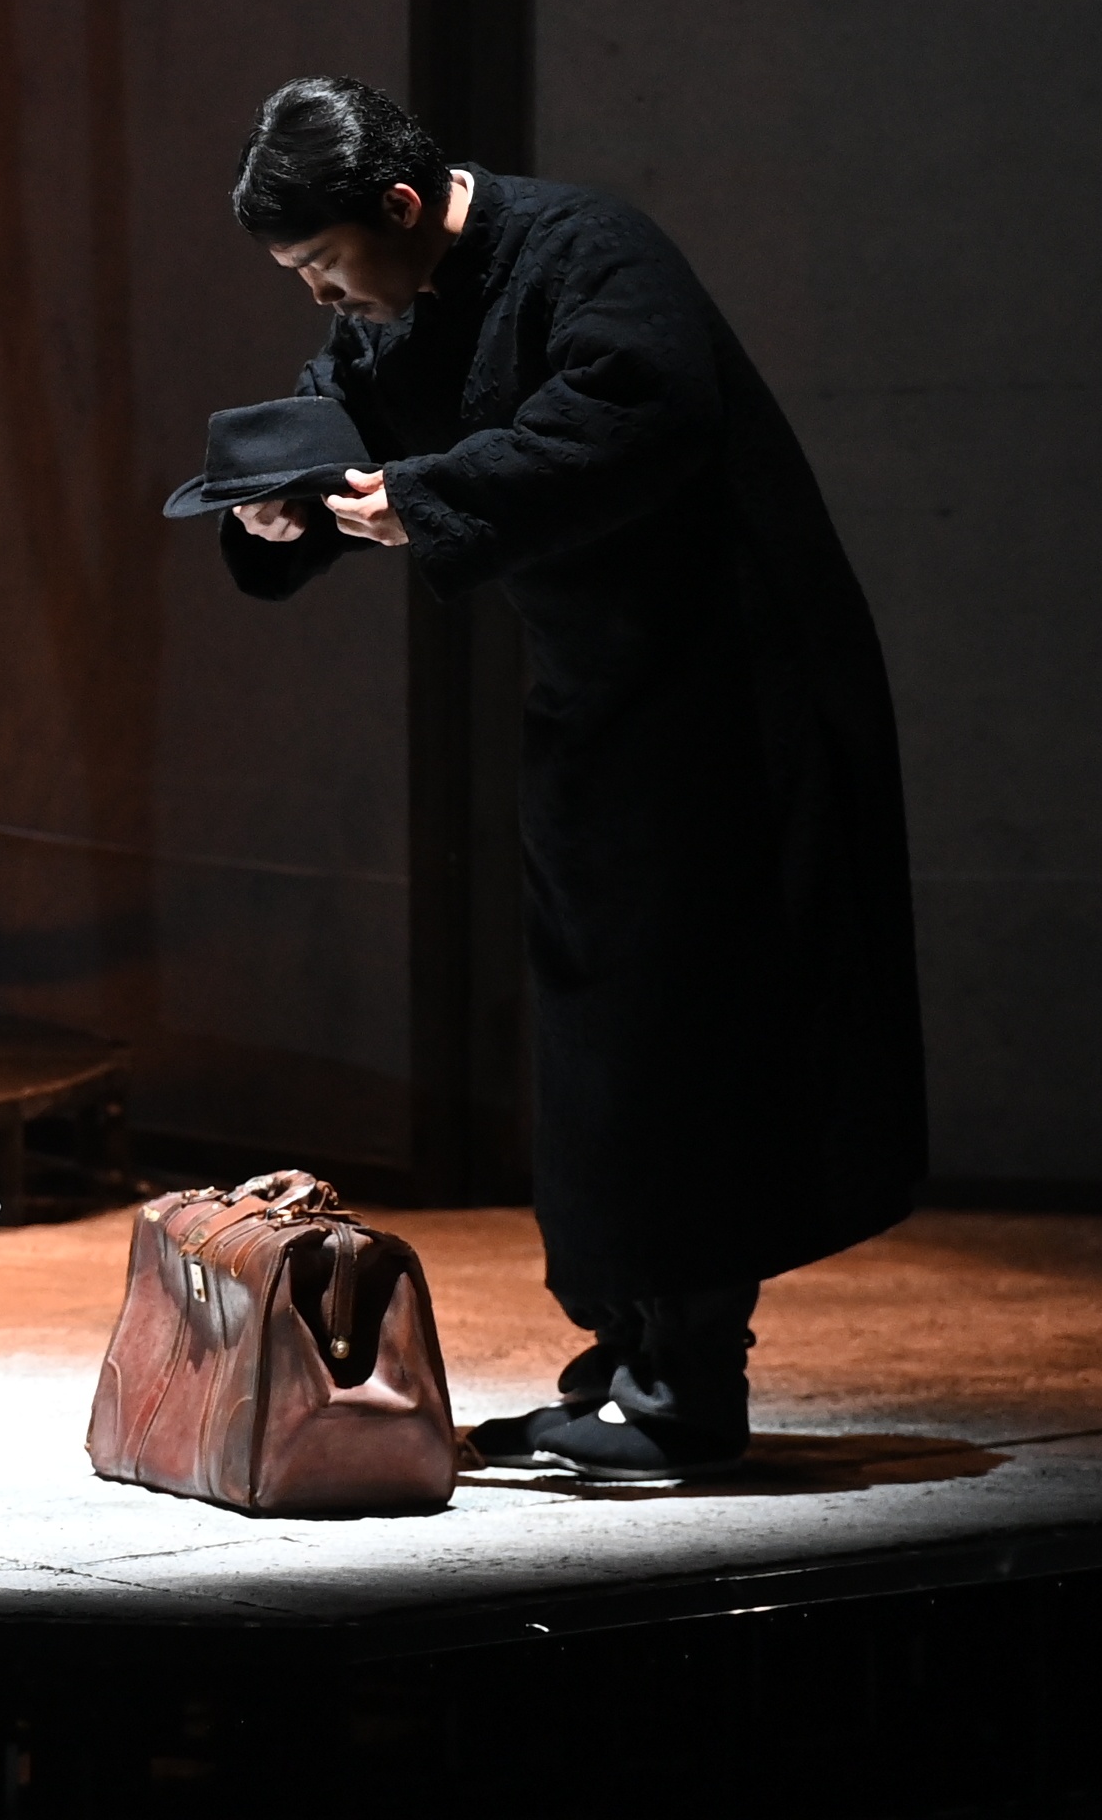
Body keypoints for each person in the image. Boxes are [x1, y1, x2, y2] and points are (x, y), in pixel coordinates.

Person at [209, 75, 923, 1478]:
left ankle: (685, 1390)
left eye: (324, 265)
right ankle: (627, 1360)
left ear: (399, 205)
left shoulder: (588, 251)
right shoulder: (394, 306)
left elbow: (641, 411)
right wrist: (278, 505)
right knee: (600, 1033)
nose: (322, 299)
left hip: (733, 691)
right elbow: (337, 409)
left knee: (687, 1031)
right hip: (601, 699)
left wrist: (425, 496)